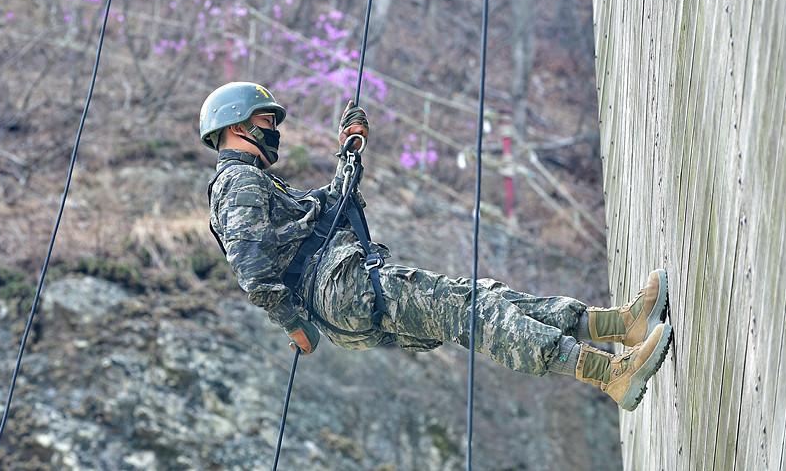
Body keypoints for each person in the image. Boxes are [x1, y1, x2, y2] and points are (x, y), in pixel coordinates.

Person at [200, 81, 673, 411]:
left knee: (486, 299)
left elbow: (329, 208)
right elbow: (254, 273)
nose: (274, 129)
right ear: (240, 125)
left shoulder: (261, 184)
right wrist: (293, 323)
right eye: (267, 119)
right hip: (341, 290)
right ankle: (610, 372)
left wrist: (350, 150)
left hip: (345, 291)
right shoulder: (237, 182)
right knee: (472, 310)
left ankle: (618, 325)